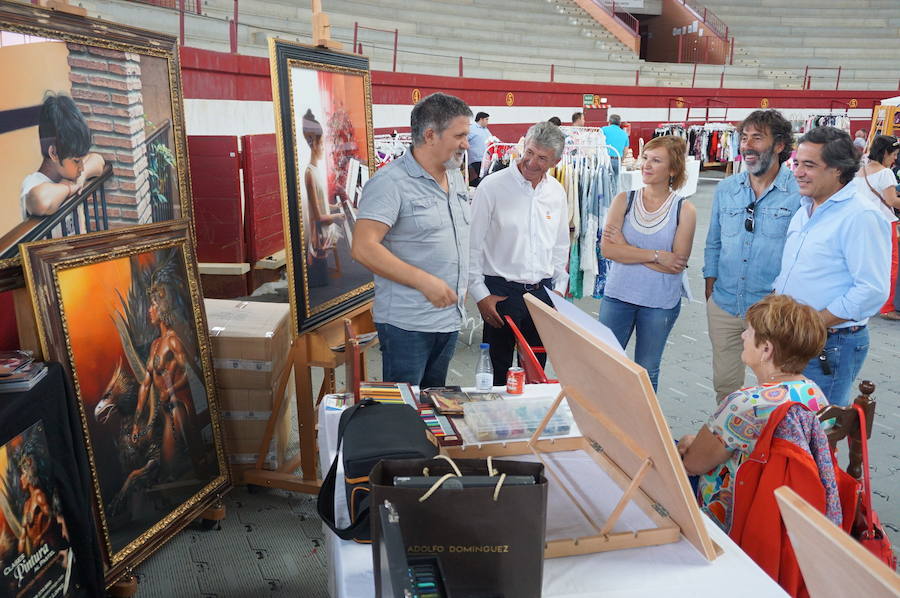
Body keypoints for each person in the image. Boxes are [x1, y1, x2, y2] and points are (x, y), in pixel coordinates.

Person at [678, 294, 829, 533]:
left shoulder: (744, 405)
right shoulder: (814, 394)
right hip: (789, 507)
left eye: (749, 332)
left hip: (735, 511)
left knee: (672, 451)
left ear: (766, 349)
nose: (743, 336)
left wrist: (693, 444)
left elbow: (694, 464)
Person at [353, 93, 472, 388]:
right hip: (407, 326)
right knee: (402, 416)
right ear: (430, 135)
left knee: (434, 408)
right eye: (459, 136)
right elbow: (363, 247)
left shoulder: (454, 177)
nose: (466, 144)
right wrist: (424, 281)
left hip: (448, 319)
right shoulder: (389, 184)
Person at [773, 126, 891, 407]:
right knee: (788, 426)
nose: (798, 172)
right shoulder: (806, 208)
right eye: (797, 163)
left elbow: (872, 290)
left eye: (809, 165)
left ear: (837, 170)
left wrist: (811, 323)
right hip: (795, 337)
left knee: (815, 433)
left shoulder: (860, 216)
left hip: (829, 343)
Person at [703, 110, 800, 402]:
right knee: (725, 385)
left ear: (779, 145)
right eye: (744, 138)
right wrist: (710, 285)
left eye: (757, 138)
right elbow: (713, 241)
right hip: (724, 303)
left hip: (770, 309)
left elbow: (800, 254)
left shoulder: (798, 194)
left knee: (774, 387)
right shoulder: (727, 189)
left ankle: (769, 444)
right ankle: (729, 442)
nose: (747, 145)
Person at [468, 121, 569, 385]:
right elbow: (471, 247)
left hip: (543, 294)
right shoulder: (491, 187)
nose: (532, 162)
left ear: (556, 161)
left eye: (542, 158)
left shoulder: (556, 192)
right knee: (498, 373)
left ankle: (531, 426)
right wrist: (481, 295)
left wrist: (559, 289)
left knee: (537, 370)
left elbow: (560, 245)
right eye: (530, 152)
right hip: (501, 293)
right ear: (524, 145)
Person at [599, 135, 696, 392]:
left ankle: (644, 430)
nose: (646, 165)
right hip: (618, 296)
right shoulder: (624, 200)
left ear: (673, 169)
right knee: (606, 364)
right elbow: (608, 249)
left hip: (659, 303)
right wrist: (656, 255)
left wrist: (627, 250)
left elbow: (676, 264)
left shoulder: (684, 211)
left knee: (647, 369)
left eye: (656, 160)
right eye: (645, 158)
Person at [21, 93, 105, 233]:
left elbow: (98, 160)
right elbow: (41, 200)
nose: (81, 167)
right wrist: (69, 188)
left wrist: (81, 178)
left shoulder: (71, 171)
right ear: (54, 153)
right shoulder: (32, 184)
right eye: (77, 161)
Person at [855, 135, 900, 320]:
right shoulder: (885, 173)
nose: (895, 159)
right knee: (891, 264)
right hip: (884, 223)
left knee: (865, 263)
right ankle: (887, 307)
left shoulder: (861, 171)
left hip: (864, 224)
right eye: (894, 154)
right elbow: (892, 201)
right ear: (886, 153)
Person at [302, 109, 345, 287]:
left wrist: (333, 206)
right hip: (318, 237)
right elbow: (318, 217)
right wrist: (339, 216)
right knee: (323, 285)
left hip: (321, 232)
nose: (323, 148)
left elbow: (319, 203)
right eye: (321, 144)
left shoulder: (316, 170)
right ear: (313, 145)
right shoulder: (310, 173)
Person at [467, 111, 491, 187]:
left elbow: (491, 139)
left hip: (486, 160)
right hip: (476, 159)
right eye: (486, 119)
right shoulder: (471, 128)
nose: (487, 121)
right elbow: (464, 140)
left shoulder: (486, 130)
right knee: (481, 179)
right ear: (481, 119)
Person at [601, 114, 629, 179]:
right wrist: (620, 160)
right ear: (619, 123)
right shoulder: (624, 134)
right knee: (616, 184)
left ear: (609, 122)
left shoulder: (603, 130)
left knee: (604, 184)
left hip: (606, 160)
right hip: (617, 160)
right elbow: (626, 151)